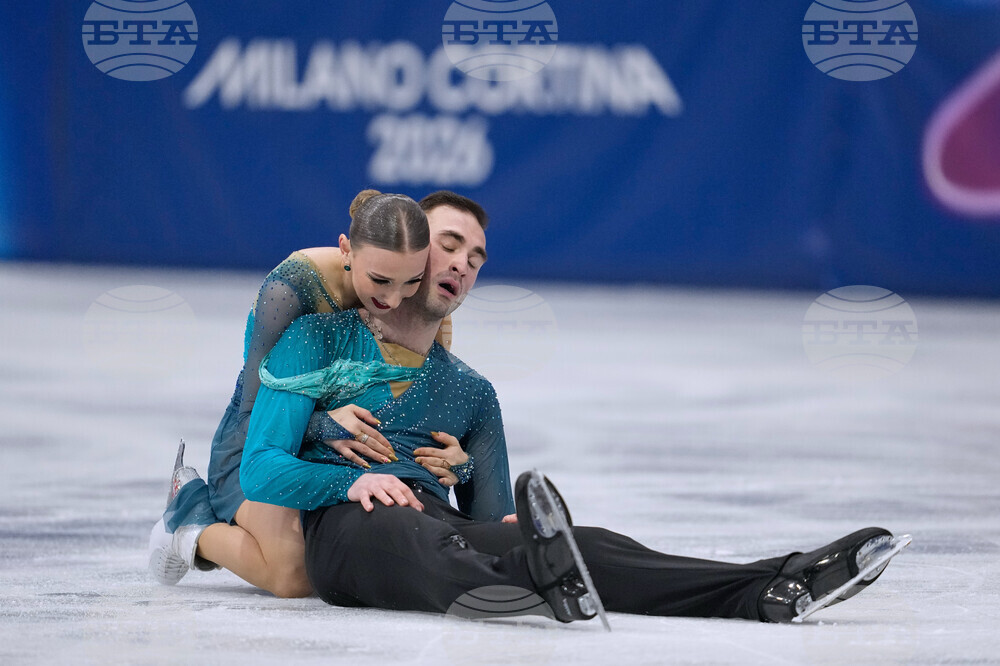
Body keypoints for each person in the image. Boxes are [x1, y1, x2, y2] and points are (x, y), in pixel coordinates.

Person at [195, 197, 904, 624]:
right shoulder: (318, 335)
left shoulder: (472, 392)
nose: (460, 263)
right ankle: (523, 588)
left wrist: (496, 515)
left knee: (586, 547)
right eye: (447, 243)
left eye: (475, 255)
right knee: (414, 538)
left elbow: (489, 514)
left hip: (437, 526)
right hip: (345, 529)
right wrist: (345, 479)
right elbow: (259, 468)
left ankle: (768, 585)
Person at [149, 189, 480, 597]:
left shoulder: (425, 307)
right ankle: (191, 521)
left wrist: (459, 464)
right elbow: (254, 415)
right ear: (347, 250)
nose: (394, 300)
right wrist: (324, 425)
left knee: (334, 559)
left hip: (339, 458)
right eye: (380, 281)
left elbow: (417, 415)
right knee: (293, 574)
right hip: (260, 447)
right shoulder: (289, 291)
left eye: (411, 281)